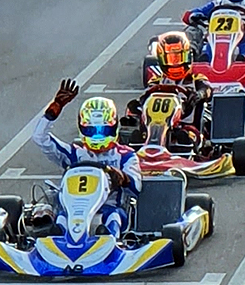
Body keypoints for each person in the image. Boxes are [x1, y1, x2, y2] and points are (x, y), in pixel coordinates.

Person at [32, 79, 141, 236]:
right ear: (82, 129)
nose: (97, 136)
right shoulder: (75, 154)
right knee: (62, 217)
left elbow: (136, 188)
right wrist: (53, 110)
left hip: (109, 209)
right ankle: (56, 242)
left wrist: (124, 178)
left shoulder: (125, 156)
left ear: (114, 127)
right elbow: (39, 137)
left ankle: (110, 241)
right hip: (74, 211)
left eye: (103, 130)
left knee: (114, 217)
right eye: (91, 131)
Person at [127, 31, 213, 147]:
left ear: (187, 56)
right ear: (162, 59)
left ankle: (188, 143)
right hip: (156, 122)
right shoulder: (157, 79)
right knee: (134, 111)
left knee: (191, 131)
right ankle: (141, 138)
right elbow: (148, 91)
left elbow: (207, 90)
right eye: (171, 59)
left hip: (185, 122)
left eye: (178, 58)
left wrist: (199, 94)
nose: (175, 63)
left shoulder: (195, 78)